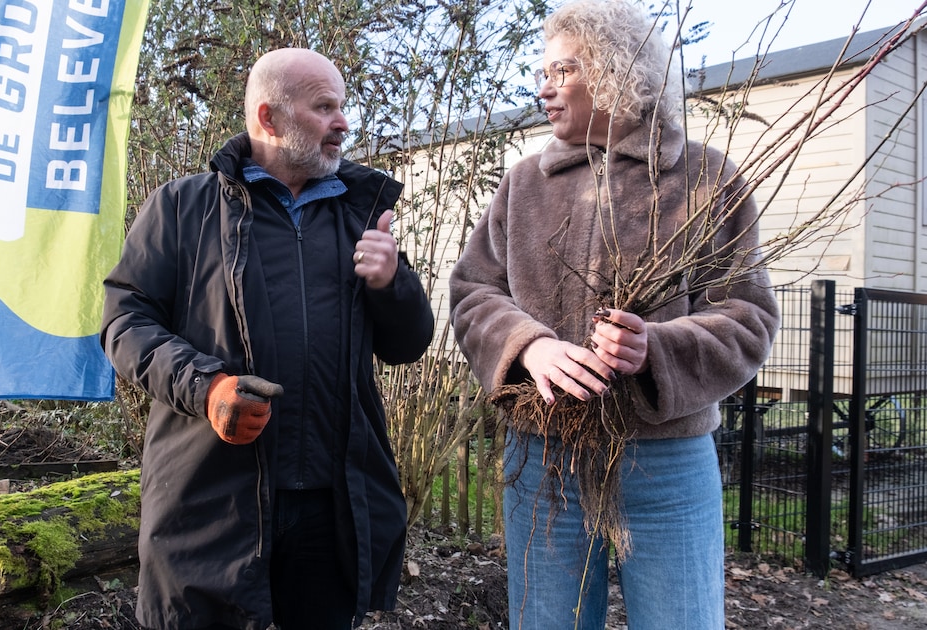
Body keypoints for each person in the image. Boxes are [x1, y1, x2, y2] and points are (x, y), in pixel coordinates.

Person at [449, 1, 780, 628]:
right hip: (544, 457)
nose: (542, 87)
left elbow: (748, 315)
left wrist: (657, 348)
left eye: (561, 70)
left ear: (613, 70)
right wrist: (529, 346)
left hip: (667, 463)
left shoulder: (707, 179)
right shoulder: (523, 184)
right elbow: (472, 291)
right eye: (541, 72)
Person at [101, 47, 434, 630]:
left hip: (332, 508)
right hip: (212, 500)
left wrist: (392, 283)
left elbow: (408, 346)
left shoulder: (360, 215)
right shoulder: (184, 208)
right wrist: (206, 389)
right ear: (269, 118)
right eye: (325, 107)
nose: (343, 123)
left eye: (342, 106)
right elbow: (124, 321)